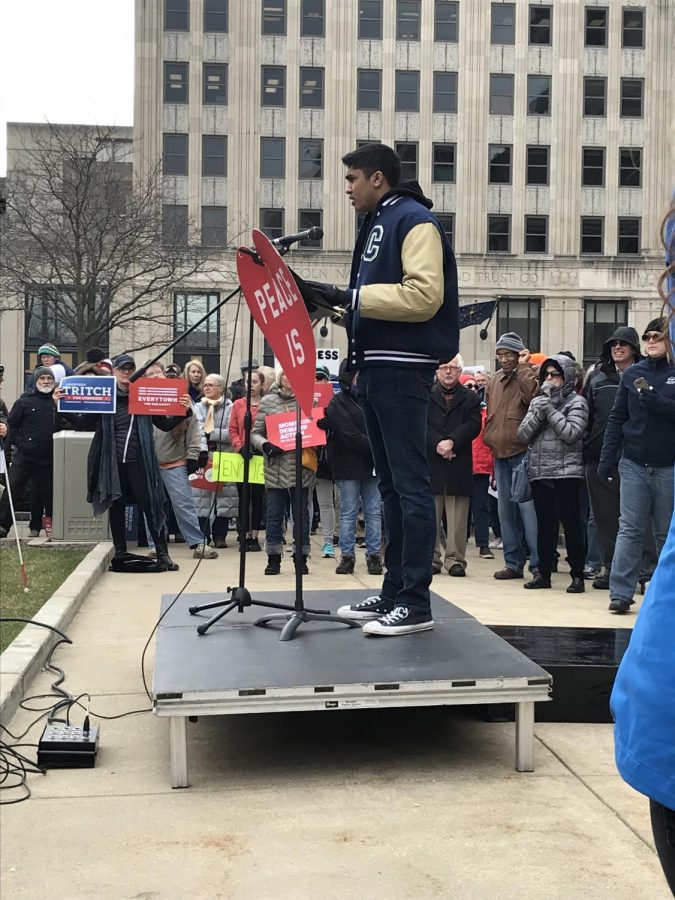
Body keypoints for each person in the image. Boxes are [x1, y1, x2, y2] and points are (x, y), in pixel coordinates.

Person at [305, 142, 459, 635]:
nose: (346, 188)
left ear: (377, 179)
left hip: (401, 368)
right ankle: (395, 590)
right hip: (376, 368)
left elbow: (423, 296)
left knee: (408, 485)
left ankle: (413, 602)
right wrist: (329, 302)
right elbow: (380, 302)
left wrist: (347, 297)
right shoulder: (382, 222)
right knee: (392, 485)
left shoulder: (413, 220)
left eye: (352, 179)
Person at [60, 354, 189, 571]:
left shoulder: (144, 396)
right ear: (114, 372)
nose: (126, 373)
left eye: (130, 369)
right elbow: (83, 422)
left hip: (139, 461)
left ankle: (162, 553)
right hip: (112, 461)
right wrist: (60, 403)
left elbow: (165, 425)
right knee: (116, 505)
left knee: (151, 506)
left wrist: (183, 411)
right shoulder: (106, 397)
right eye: (122, 369)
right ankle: (120, 552)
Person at [599, 317, 675, 613]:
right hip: (632, 463)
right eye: (647, 337)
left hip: (668, 464)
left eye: (658, 336)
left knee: (663, 532)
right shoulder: (633, 375)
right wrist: (606, 461)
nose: (652, 341)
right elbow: (617, 419)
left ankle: (663, 591)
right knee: (629, 529)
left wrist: (655, 401)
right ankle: (620, 592)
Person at [583, 326, 649, 590]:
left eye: (623, 343)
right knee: (605, 518)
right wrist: (587, 450)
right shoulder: (597, 378)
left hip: (635, 457)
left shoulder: (644, 375)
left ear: (634, 348)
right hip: (600, 458)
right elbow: (586, 416)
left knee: (637, 519)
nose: (618, 347)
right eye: (613, 344)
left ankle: (643, 570)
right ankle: (611, 567)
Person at [517, 356, 589, 592]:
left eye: (555, 374)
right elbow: (522, 435)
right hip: (541, 472)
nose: (549, 379)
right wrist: (539, 412)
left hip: (567, 472)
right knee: (545, 526)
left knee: (571, 526)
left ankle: (577, 574)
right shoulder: (538, 402)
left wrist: (549, 410)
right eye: (546, 375)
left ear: (566, 377)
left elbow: (571, 433)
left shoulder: (577, 402)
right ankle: (543, 574)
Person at [144, 362, 217, 559]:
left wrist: (195, 454)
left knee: (184, 503)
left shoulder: (181, 398)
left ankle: (197, 542)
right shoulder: (141, 400)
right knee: (152, 505)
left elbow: (194, 429)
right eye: (150, 373)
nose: (155, 375)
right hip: (148, 462)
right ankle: (155, 545)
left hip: (174, 460)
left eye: (158, 371)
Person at [483, 332, 540, 580]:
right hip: (500, 452)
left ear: (518, 355)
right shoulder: (493, 381)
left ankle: (538, 564)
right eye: (500, 355)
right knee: (506, 512)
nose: (504, 359)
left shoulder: (527, 375)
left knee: (528, 512)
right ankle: (513, 563)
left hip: (523, 451)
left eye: (508, 354)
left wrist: (525, 367)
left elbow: (533, 398)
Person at [251, 368, 316, 575]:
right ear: (280, 378)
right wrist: (265, 445)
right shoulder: (269, 401)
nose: (289, 379)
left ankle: (301, 557)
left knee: (301, 516)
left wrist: (323, 427)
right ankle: (273, 558)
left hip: (301, 466)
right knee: (274, 515)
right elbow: (255, 433)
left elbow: (317, 430)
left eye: (293, 375)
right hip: (276, 466)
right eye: (286, 375)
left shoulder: (309, 400)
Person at [323, 361, 383, 576]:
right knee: (348, 512)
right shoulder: (338, 402)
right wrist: (376, 445)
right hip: (348, 463)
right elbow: (348, 434)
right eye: (359, 375)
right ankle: (347, 556)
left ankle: (374, 555)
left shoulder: (375, 398)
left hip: (373, 465)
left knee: (374, 512)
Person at [427, 356, 482, 576]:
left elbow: (474, 424)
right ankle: (431, 559)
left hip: (458, 459)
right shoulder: (426, 394)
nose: (448, 372)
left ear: (460, 372)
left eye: (453, 368)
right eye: (444, 368)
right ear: (437, 371)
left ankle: (455, 559)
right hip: (432, 459)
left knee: (458, 514)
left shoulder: (470, 397)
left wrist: (452, 441)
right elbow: (419, 423)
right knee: (430, 513)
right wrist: (438, 443)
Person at [0, 367, 67, 538]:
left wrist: (57, 405)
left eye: (49, 379)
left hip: (49, 457)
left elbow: (66, 424)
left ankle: (37, 527)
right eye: (42, 378)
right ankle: (2, 525)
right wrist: (21, 444)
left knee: (44, 493)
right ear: (36, 382)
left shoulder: (60, 401)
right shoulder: (24, 402)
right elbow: (12, 426)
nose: (46, 382)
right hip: (25, 456)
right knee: (12, 489)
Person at [192, 373, 239, 548]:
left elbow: (232, 432)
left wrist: (211, 433)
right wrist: (203, 449)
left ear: (221, 388)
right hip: (204, 456)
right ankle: (203, 536)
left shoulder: (232, 407)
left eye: (211, 385)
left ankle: (220, 536)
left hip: (226, 455)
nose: (207, 388)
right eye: (205, 385)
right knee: (202, 498)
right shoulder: (198, 407)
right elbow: (197, 430)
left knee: (225, 497)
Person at [228, 367, 265, 551]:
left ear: (261, 384)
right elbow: (233, 429)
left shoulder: (266, 404)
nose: (251, 385)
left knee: (258, 497)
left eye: (255, 382)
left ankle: (255, 535)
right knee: (243, 496)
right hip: (242, 455)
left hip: (260, 455)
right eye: (248, 382)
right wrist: (239, 446)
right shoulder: (238, 405)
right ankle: (243, 534)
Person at [462, 373, 498, 559]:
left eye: (475, 386)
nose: (474, 390)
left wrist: (492, 469)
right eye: (468, 386)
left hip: (481, 466)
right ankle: (456, 542)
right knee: (457, 507)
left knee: (481, 506)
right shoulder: (458, 412)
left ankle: (483, 544)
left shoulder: (485, 413)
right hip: (460, 465)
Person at [312, 365, 337, 558]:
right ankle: (299, 541)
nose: (317, 381)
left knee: (326, 502)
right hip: (306, 456)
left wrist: (332, 423)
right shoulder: (300, 402)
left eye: (320, 378)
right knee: (302, 502)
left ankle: (328, 541)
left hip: (326, 459)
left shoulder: (335, 403)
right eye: (314, 378)